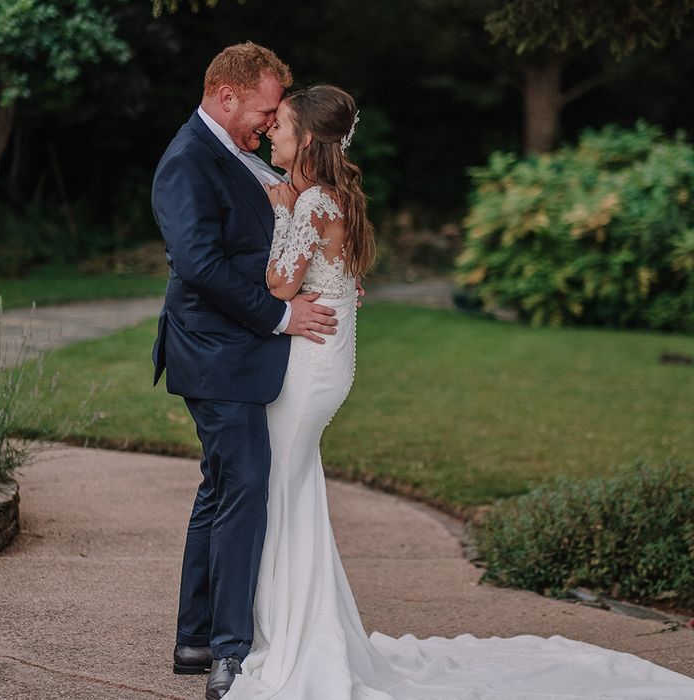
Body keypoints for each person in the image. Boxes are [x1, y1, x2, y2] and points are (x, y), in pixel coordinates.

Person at [221, 85, 694, 699]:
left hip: (311, 364)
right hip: (324, 359)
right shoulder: (327, 196)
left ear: (306, 138)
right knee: (293, 485)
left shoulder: (310, 201)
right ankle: (298, 629)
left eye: (281, 124)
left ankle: (296, 637)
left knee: (283, 486)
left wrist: (280, 207)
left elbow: (279, 284)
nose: (275, 134)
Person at [150, 44, 340, 700]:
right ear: (225, 96)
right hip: (213, 354)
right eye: (263, 109)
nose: (268, 121)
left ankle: (196, 635)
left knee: (222, 485)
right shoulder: (186, 162)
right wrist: (282, 319)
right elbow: (200, 265)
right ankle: (230, 652)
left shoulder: (241, 156)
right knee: (245, 487)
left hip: (233, 354)